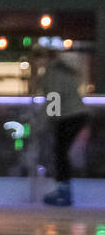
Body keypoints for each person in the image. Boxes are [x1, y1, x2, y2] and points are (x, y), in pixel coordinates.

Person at [31, 45, 90, 206]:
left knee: (60, 153)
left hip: (68, 117)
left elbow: (53, 100)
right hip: (77, 115)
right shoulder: (64, 70)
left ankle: (63, 191)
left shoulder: (52, 74)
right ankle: (63, 189)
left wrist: (41, 124)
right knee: (61, 152)